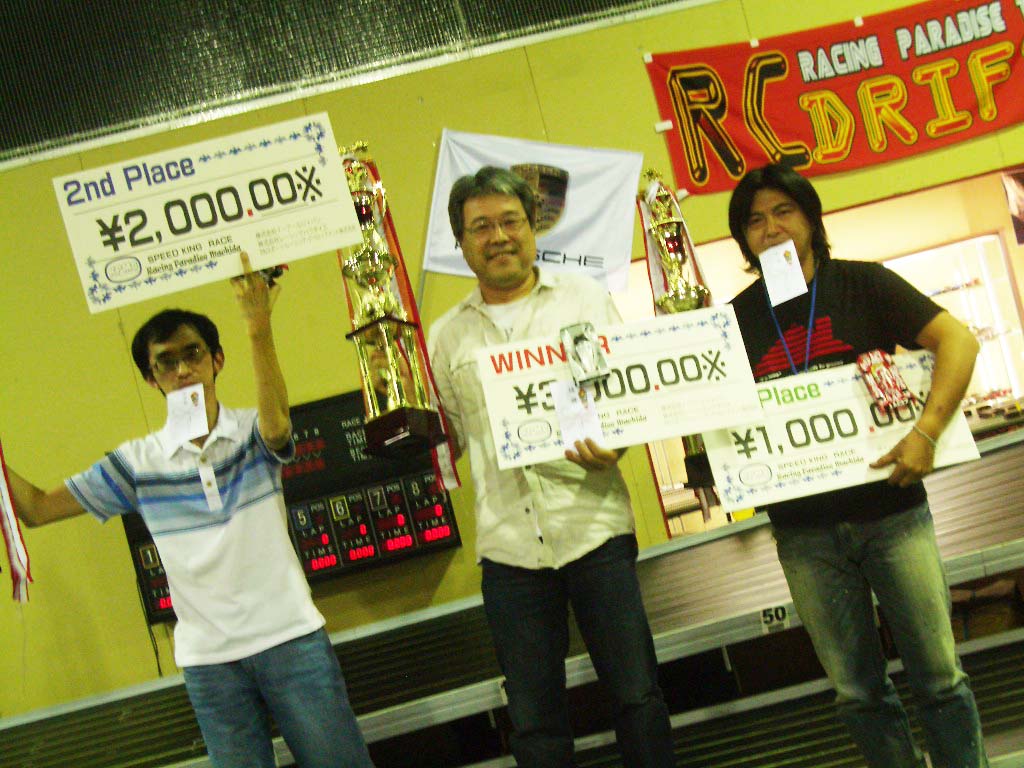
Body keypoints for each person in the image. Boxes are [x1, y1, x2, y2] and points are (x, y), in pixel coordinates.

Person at [7, 253, 373, 768]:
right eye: (165, 362)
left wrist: (258, 326)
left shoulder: (252, 432)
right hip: (209, 664)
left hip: (291, 639)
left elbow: (277, 429)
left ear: (216, 360)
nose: (182, 370)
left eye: (193, 354)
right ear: (151, 378)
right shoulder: (136, 464)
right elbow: (38, 509)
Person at [726, 163, 987, 768]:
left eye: (784, 211)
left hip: (892, 513)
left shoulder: (864, 284)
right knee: (857, 693)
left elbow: (960, 342)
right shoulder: (734, 320)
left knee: (940, 677)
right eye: (755, 221)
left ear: (811, 219)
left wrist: (926, 432)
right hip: (803, 533)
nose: (771, 228)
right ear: (744, 240)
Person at [428, 167, 675, 768]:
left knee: (638, 696)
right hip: (508, 549)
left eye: (510, 221)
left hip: (594, 529)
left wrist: (617, 442)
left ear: (532, 227)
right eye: (480, 227)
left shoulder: (585, 300)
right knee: (535, 723)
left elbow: (626, 396)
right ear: (461, 243)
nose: (498, 237)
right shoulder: (445, 336)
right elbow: (450, 439)